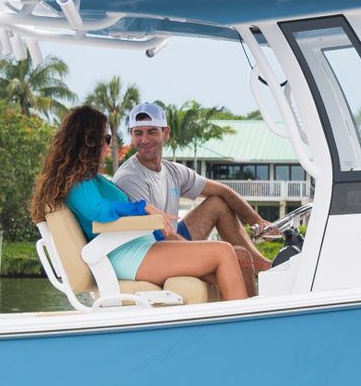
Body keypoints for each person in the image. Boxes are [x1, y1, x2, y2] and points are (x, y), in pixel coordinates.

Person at [31, 105, 249, 303]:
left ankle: (239, 327)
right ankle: (246, 333)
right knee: (223, 252)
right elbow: (99, 210)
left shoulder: (90, 178)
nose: (109, 146)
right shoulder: (78, 181)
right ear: (89, 141)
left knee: (235, 261)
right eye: (106, 139)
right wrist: (141, 207)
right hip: (125, 253)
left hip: (137, 247)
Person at [114, 102, 273, 279]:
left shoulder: (173, 170)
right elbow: (159, 235)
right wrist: (199, 255)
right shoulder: (129, 177)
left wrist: (258, 222)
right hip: (154, 249)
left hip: (174, 235)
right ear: (131, 136)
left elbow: (223, 191)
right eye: (138, 133)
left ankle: (265, 267)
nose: (144, 140)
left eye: (151, 131)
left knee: (217, 203)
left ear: (165, 133)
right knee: (239, 257)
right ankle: (252, 300)